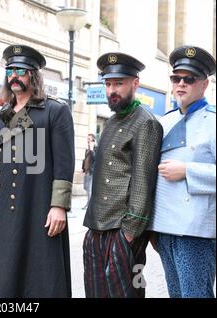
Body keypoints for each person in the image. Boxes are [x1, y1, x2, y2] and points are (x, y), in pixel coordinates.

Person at [0, 44, 75, 298]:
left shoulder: (54, 111)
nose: (14, 75)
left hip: (35, 205)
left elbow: (64, 163)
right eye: (11, 70)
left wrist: (59, 206)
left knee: (36, 274)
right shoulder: (2, 114)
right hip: (0, 206)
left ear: (33, 76)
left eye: (21, 71)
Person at [82, 52, 163, 298]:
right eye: (108, 84)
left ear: (134, 84)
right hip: (97, 226)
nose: (111, 90)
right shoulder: (112, 121)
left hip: (123, 230)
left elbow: (143, 181)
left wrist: (129, 233)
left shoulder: (146, 122)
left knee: (126, 294)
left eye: (118, 83)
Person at [149, 46, 216, 298]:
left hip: (195, 231)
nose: (181, 84)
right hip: (164, 228)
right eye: (176, 78)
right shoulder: (163, 121)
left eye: (189, 79)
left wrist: (187, 170)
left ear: (204, 83)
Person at [81, 133, 96, 210]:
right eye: (87, 138)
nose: (87, 140)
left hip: (91, 171)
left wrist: (92, 149)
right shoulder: (87, 149)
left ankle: (89, 205)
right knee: (85, 187)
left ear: (93, 139)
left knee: (89, 189)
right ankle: (90, 202)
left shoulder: (95, 148)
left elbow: (95, 159)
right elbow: (85, 159)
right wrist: (83, 169)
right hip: (86, 171)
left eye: (89, 139)